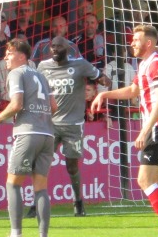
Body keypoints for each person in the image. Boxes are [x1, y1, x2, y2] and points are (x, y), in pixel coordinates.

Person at [92, 25, 158, 237]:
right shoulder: (145, 64)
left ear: (149, 43)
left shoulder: (157, 64)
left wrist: (145, 130)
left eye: (137, 40)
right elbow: (133, 91)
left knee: (144, 180)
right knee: (157, 181)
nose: (132, 43)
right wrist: (105, 94)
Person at [26, 36, 111, 217]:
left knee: (71, 166)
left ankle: (78, 201)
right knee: (42, 164)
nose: (55, 49)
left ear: (67, 48)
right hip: (49, 124)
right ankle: (36, 204)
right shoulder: (43, 67)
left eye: (58, 46)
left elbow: (104, 80)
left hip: (73, 125)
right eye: (52, 47)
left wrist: (102, 90)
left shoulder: (80, 64)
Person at [0, 39, 56, 237]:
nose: (6, 57)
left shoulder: (17, 73)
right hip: (47, 134)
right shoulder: (41, 76)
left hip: (28, 133)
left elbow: (16, 104)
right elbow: (53, 105)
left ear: (22, 56)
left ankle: (16, 235)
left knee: (13, 183)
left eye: (9, 53)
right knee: (41, 188)